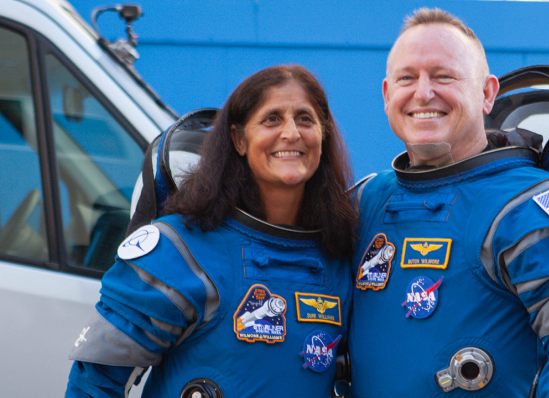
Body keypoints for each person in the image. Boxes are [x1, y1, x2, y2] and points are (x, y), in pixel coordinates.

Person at [348, 8, 549, 397]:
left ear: (486, 93)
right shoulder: (364, 201)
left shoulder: (537, 206)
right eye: (406, 78)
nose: (423, 92)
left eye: (443, 76)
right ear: (387, 94)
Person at [66, 65, 358, 397]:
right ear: (239, 139)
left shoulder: (338, 257)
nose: (291, 133)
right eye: (272, 119)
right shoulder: (179, 251)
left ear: (324, 136)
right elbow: (94, 383)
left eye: (305, 119)